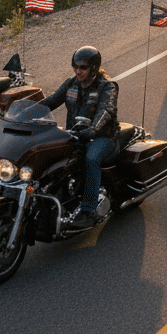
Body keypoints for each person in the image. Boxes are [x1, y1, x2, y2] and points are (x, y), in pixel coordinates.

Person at [41, 46, 120, 230]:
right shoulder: (72, 84)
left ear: (94, 67)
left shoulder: (107, 86)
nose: (78, 71)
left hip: (103, 137)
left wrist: (92, 130)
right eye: (75, 67)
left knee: (91, 158)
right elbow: (51, 101)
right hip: (75, 135)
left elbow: (106, 110)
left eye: (83, 67)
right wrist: (23, 114)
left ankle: (88, 211)